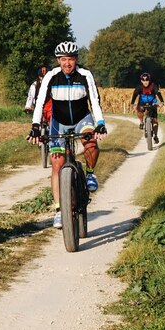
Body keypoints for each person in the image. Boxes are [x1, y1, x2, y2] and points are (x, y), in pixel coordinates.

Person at [26, 41, 107, 229]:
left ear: (76, 59)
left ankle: (90, 174)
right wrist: (35, 126)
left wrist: (100, 123)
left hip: (82, 119)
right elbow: (40, 102)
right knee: (57, 164)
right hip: (59, 123)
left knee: (91, 144)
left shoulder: (85, 75)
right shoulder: (51, 77)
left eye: (70, 59)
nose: (67, 63)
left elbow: (94, 101)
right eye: (63, 60)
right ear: (58, 60)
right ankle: (58, 210)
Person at [130, 72, 165, 143]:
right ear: (141, 81)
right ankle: (141, 122)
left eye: (147, 80)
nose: (145, 82)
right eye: (144, 81)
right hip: (142, 102)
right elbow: (135, 95)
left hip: (152, 103)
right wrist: (132, 103)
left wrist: (162, 102)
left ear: (149, 80)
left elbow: (158, 93)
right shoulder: (139, 87)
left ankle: (155, 136)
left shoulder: (153, 86)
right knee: (139, 109)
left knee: (155, 121)